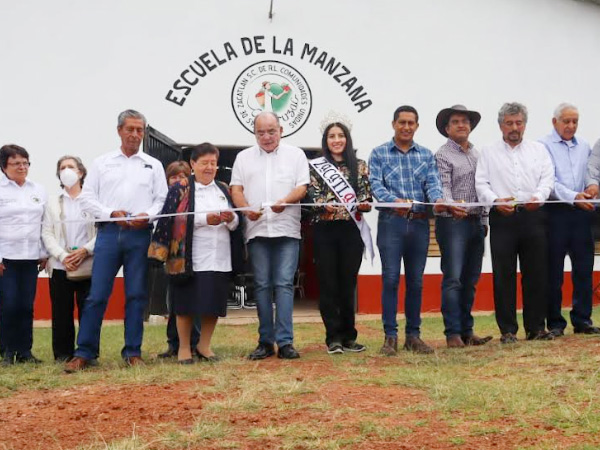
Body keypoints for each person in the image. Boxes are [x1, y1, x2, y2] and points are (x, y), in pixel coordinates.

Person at [65, 109, 168, 372]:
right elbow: (87, 198)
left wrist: (148, 215)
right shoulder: (102, 163)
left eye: (139, 130)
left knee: (136, 295)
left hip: (140, 235)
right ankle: (84, 352)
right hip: (109, 234)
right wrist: (111, 213)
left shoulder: (153, 165)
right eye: (130, 129)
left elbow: (162, 199)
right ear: (119, 130)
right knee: (97, 295)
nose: (135, 134)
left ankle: (132, 352)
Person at [150, 143, 242, 363]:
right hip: (189, 256)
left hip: (219, 256)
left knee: (214, 304)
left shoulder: (223, 188)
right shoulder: (181, 188)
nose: (209, 167)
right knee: (185, 304)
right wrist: (203, 219)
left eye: (213, 163)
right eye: (204, 163)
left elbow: (238, 220)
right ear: (193, 164)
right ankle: (183, 348)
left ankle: (204, 345)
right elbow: (171, 218)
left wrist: (231, 219)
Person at [230, 112, 309, 360]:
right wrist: (246, 209)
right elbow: (236, 189)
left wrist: (285, 201)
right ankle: (265, 341)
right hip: (257, 230)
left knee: (284, 284)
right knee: (262, 285)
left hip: (287, 229)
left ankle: (285, 342)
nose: (266, 137)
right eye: (261, 132)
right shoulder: (243, 158)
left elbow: (302, 187)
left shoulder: (296, 155)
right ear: (254, 133)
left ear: (281, 130)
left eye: (271, 131)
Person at [369, 105, 445, 356]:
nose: (406, 127)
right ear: (393, 124)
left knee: (416, 281)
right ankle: (390, 336)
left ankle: (413, 336)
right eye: (402, 122)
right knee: (390, 279)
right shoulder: (379, 153)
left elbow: (433, 184)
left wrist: (438, 200)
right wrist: (395, 201)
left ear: (417, 126)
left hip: (420, 223)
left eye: (411, 123)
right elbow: (375, 186)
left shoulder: (426, 155)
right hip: (391, 222)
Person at [475, 102, 554, 343]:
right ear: (501, 125)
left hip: (533, 216)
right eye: (509, 123)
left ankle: (536, 328)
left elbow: (547, 178)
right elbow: (481, 183)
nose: (514, 127)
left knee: (536, 273)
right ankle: (508, 330)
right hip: (503, 217)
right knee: (503, 275)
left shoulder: (539, 150)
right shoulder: (488, 152)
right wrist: (495, 201)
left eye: (519, 122)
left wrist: (538, 197)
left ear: (525, 125)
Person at [306, 113, 373, 354]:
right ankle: (333, 337)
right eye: (332, 136)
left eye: (341, 135)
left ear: (347, 139)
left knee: (347, 283)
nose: (336, 140)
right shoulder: (315, 166)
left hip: (350, 230)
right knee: (328, 284)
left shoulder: (360, 165)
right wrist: (323, 205)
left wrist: (364, 204)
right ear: (326, 140)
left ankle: (349, 337)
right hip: (324, 230)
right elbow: (311, 194)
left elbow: (366, 194)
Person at [434, 105, 493, 348]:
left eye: (465, 121)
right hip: (452, 223)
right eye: (456, 121)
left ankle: (467, 331)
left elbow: (484, 187)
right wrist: (451, 206)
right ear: (447, 129)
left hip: (476, 222)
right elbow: (443, 187)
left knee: (470, 279)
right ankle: (453, 333)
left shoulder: (477, 154)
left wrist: (485, 219)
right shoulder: (442, 155)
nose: (461, 125)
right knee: (453, 278)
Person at [539, 103, 600, 336]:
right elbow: (549, 182)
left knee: (584, 269)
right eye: (566, 121)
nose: (571, 126)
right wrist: (574, 197)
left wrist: (590, 189)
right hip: (555, 212)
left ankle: (583, 320)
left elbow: (590, 175)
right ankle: (555, 323)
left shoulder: (584, 145)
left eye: (575, 121)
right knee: (553, 271)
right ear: (554, 122)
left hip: (583, 214)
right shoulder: (543, 146)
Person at [42, 156, 97, 362]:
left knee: (89, 311)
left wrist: (85, 251)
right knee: (61, 312)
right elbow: (47, 233)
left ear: (81, 172)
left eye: (71, 167)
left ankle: (88, 352)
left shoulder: (92, 201)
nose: (67, 170)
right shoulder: (52, 203)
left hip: (88, 263)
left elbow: (102, 230)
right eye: (63, 167)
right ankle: (63, 354)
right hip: (60, 265)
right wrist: (63, 256)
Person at [0, 144, 47, 365]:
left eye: (25, 162)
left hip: (30, 257)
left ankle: (25, 351)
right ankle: (8, 351)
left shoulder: (38, 189)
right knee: (9, 304)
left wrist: (44, 252)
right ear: (4, 166)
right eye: (16, 163)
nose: (22, 167)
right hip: (6, 258)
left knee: (26, 305)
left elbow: (45, 223)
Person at [154, 161, 202, 359]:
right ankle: (173, 343)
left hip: (189, 256)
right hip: (171, 257)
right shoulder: (163, 199)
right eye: (173, 177)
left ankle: (194, 342)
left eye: (182, 176)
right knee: (172, 302)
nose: (178, 180)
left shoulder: (193, 199)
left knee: (192, 301)